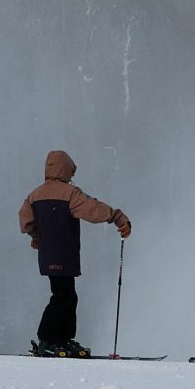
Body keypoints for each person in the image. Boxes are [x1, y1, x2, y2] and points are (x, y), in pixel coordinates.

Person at [19, 149, 131, 358]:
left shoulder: (34, 195)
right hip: (64, 253)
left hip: (47, 254)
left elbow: (25, 220)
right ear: (66, 169)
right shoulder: (70, 194)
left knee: (67, 295)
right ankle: (48, 339)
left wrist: (36, 235)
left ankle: (61, 339)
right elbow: (93, 208)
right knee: (63, 296)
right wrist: (118, 217)